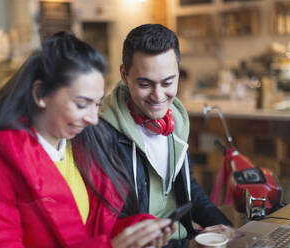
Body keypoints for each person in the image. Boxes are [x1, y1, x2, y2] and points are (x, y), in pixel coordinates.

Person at [0, 32, 175, 247]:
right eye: (82, 104)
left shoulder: (83, 145)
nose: (93, 119)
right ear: (41, 94)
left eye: (97, 104)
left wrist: (137, 232)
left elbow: (87, 232)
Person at [99, 24, 240, 247]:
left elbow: (188, 187)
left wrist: (228, 232)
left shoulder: (176, 120)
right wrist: (190, 242)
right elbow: (118, 228)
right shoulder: (103, 134)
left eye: (168, 82)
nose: (158, 96)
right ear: (124, 75)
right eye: (145, 84)